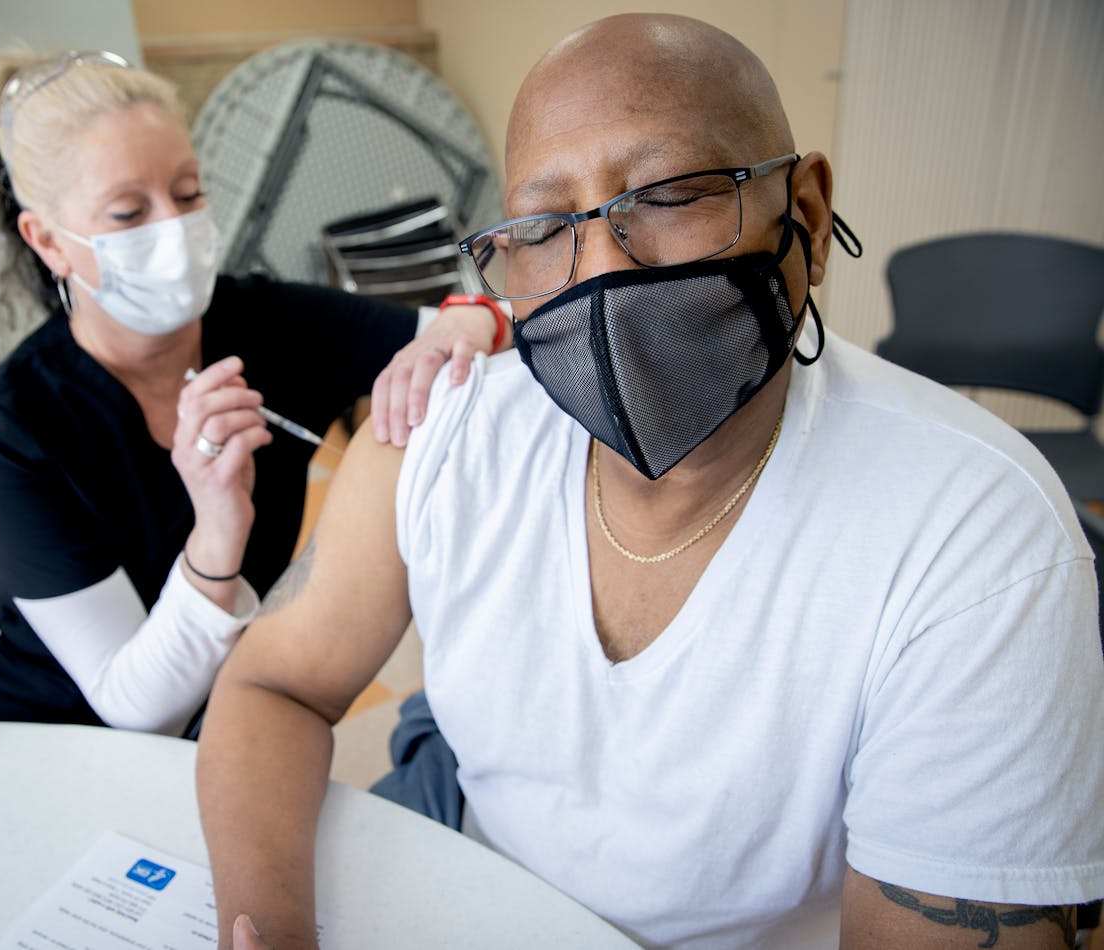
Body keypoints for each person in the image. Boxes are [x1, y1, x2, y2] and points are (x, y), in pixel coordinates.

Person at [195, 14, 1104, 949]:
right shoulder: (442, 434)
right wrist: (265, 930)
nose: (603, 270)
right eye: (547, 227)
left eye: (667, 194)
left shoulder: (978, 540)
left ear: (812, 217)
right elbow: (274, 684)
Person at [0, 48, 509, 733]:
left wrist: (473, 320)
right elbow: (134, 706)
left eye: (187, 194)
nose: (171, 229)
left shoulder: (272, 325)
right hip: (37, 729)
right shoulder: (17, 423)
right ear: (49, 242)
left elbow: (464, 333)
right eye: (127, 212)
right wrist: (218, 529)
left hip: (216, 710)